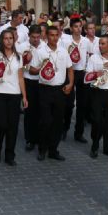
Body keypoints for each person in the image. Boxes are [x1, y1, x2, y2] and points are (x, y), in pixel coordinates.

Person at [29, 26, 74, 161]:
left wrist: (70, 84)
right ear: (46, 36)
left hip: (60, 90)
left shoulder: (63, 51)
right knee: (45, 121)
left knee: (58, 121)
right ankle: (42, 149)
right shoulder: (40, 51)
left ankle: (53, 150)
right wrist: (40, 68)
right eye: (51, 35)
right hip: (45, 89)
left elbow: (70, 69)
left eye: (56, 35)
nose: (54, 37)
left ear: (59, 35)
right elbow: (31, 70)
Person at [0, 29, 28, 166]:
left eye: (11, 38)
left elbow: (20, 78)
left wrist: (24, 96)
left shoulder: (18, 57)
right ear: (1, 40)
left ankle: (10, 155)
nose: (8, 41)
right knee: (0, 124)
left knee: (13, 126)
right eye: (6, 38)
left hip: (14, 95)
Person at [86, 35, 108, 158]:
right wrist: (99, 72)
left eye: (103, 44)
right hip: (97, 91)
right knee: (96, 120)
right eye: (100, 43)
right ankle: (95, 145)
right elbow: (87, 77)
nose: (100, 46)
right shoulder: (93, 58)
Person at [61, 18, 91, 143]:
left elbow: (89, 56)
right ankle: (64, 127)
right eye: (76, 26)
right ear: (71, 28)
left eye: (80, 26)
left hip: (82, 73)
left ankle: (78, 133)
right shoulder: (65, 40)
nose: (78, 29)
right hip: (69, 73)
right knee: (68, 103)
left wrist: (88, 71)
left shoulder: (86, 41)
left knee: (82, 104)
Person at [16, 25, 44, 151]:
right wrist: (27, 65)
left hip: (42, 82)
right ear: (29, 36)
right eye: (33, 37)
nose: (36, 39)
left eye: (38, 37)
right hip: (28, 81)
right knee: (30, 111)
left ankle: (39, 137)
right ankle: (29, 139)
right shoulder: (22, 47)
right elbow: (17, 65)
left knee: (41, 111)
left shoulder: (45, 46)